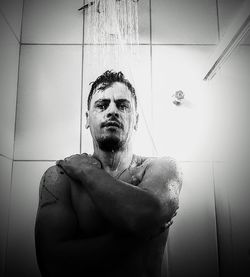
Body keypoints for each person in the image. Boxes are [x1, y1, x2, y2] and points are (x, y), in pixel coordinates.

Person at [35, 70, 182, 277]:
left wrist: (88, 171)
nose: (112, 111)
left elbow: (148, 214)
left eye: (122, 105)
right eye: (102, 105)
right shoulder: (60, 177)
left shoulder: (162, 167)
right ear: (87, 118)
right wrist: (139, 235)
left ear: (137, 120)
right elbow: (52, 264)